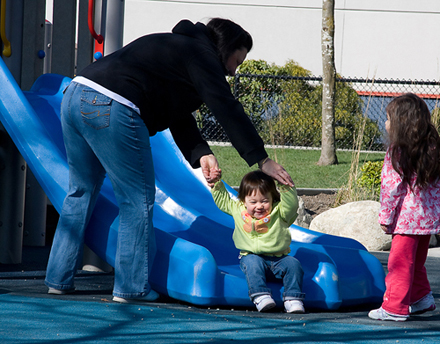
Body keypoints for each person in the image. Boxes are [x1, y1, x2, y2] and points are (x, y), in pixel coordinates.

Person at [44, 18, 294, 303]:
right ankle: (131, 287)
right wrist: (262, 160)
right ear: (224, 48)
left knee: (80, 192)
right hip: (114, 103)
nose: (233, 70)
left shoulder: (177, 49)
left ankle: (57, 279)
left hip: (74, 94)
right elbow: (225, 105)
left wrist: (201, 153)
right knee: (136, 199)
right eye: (236, 60)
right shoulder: (201, 54)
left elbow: (177, 113)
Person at [368, 93, 439, 321]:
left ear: (401, 123)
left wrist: (386, 218)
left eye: (388, 119)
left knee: (399, 264)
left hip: (406, 222)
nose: (386, 123)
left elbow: (391, 189)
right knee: (416, 263)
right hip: (427, 222)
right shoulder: (433, 149)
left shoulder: (397, 152)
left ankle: (394, 308)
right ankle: (421, 298)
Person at [211, 170, 304, 313]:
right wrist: (216, 184)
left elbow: (291, 205)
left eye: (265, 201)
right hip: (252, 256)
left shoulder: (280, 212)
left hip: (279, 259)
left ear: (272, 199)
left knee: (294, 264)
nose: (259, 206)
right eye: (253, 202)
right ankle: (260, 295)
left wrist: (286, 186)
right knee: (252, 263)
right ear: (243, 200)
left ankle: (293, 298)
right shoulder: (238, 210)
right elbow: (223, 201)